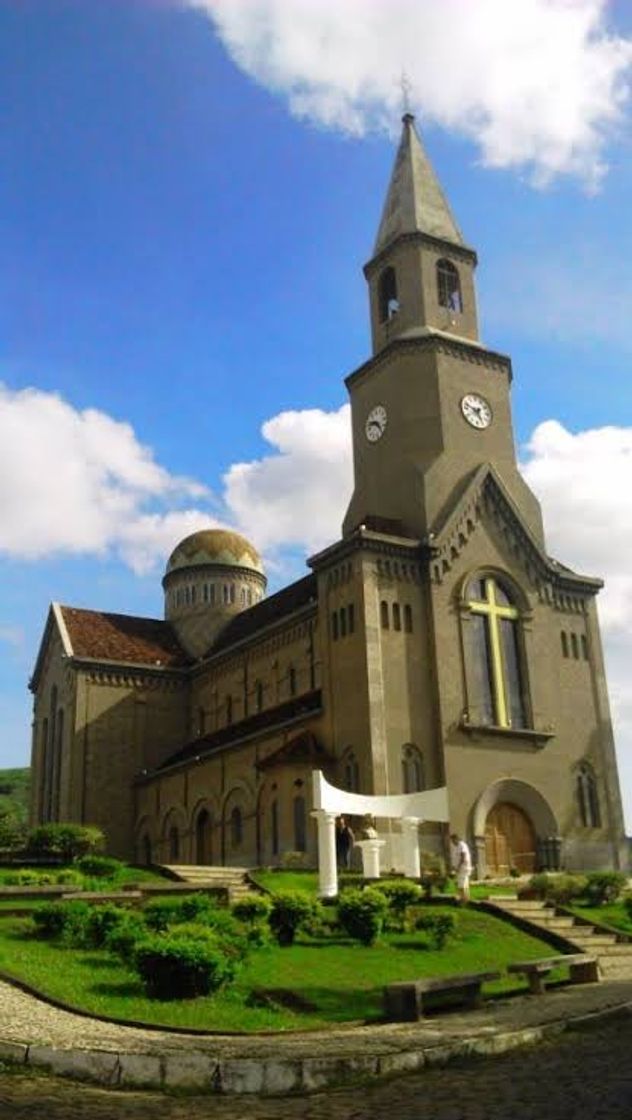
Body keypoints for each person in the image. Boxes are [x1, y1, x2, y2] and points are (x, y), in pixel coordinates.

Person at [450, 831, 472, 904]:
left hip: (463, 868)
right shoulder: (456, 847)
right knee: (460, 884)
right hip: (459, 869)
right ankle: (464, 899)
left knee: (462, 884)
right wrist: (454, 867)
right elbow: (455, 858)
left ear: (456, 839)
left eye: (453, 840)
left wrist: (458, 867)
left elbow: (463, 856)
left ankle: (464, 900)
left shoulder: (462, 845)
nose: (452, 842)